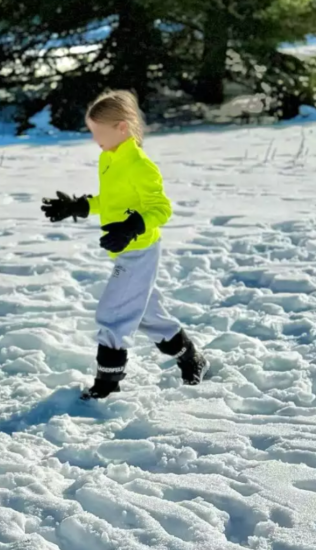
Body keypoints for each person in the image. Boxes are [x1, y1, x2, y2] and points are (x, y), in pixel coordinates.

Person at [41, 90, 208, 400]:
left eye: (97, 133)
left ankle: (107, 386)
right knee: (148, 315)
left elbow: (161, 208)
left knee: (113, 313)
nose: (94, 140)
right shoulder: (110, 159)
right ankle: (191, 357)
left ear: (121, 128)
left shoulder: (140, 165)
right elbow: (111, 201)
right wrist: (78, 207)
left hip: (140, 250)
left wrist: (132, 227)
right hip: (126, 250)